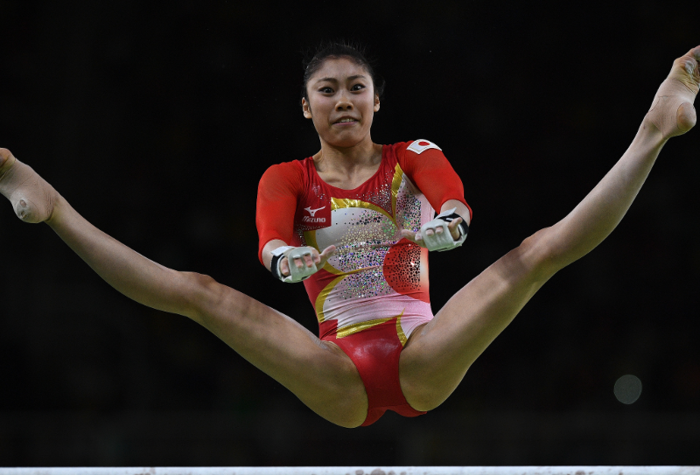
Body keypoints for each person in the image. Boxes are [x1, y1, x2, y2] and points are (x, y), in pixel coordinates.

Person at [1, 43, 698, 428]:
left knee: (537, 254)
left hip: (424, 352)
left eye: (356, 87)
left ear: (376, 99)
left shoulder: (413, 155)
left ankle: (655, 129)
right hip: (337, 373)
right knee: (201, 294)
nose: (343, 99)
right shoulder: (287, 176)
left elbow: (451, 199)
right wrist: (284, 257)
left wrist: (450, 223)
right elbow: (271, 239)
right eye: (328, 89)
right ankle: (54, 205)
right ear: (306, 106)